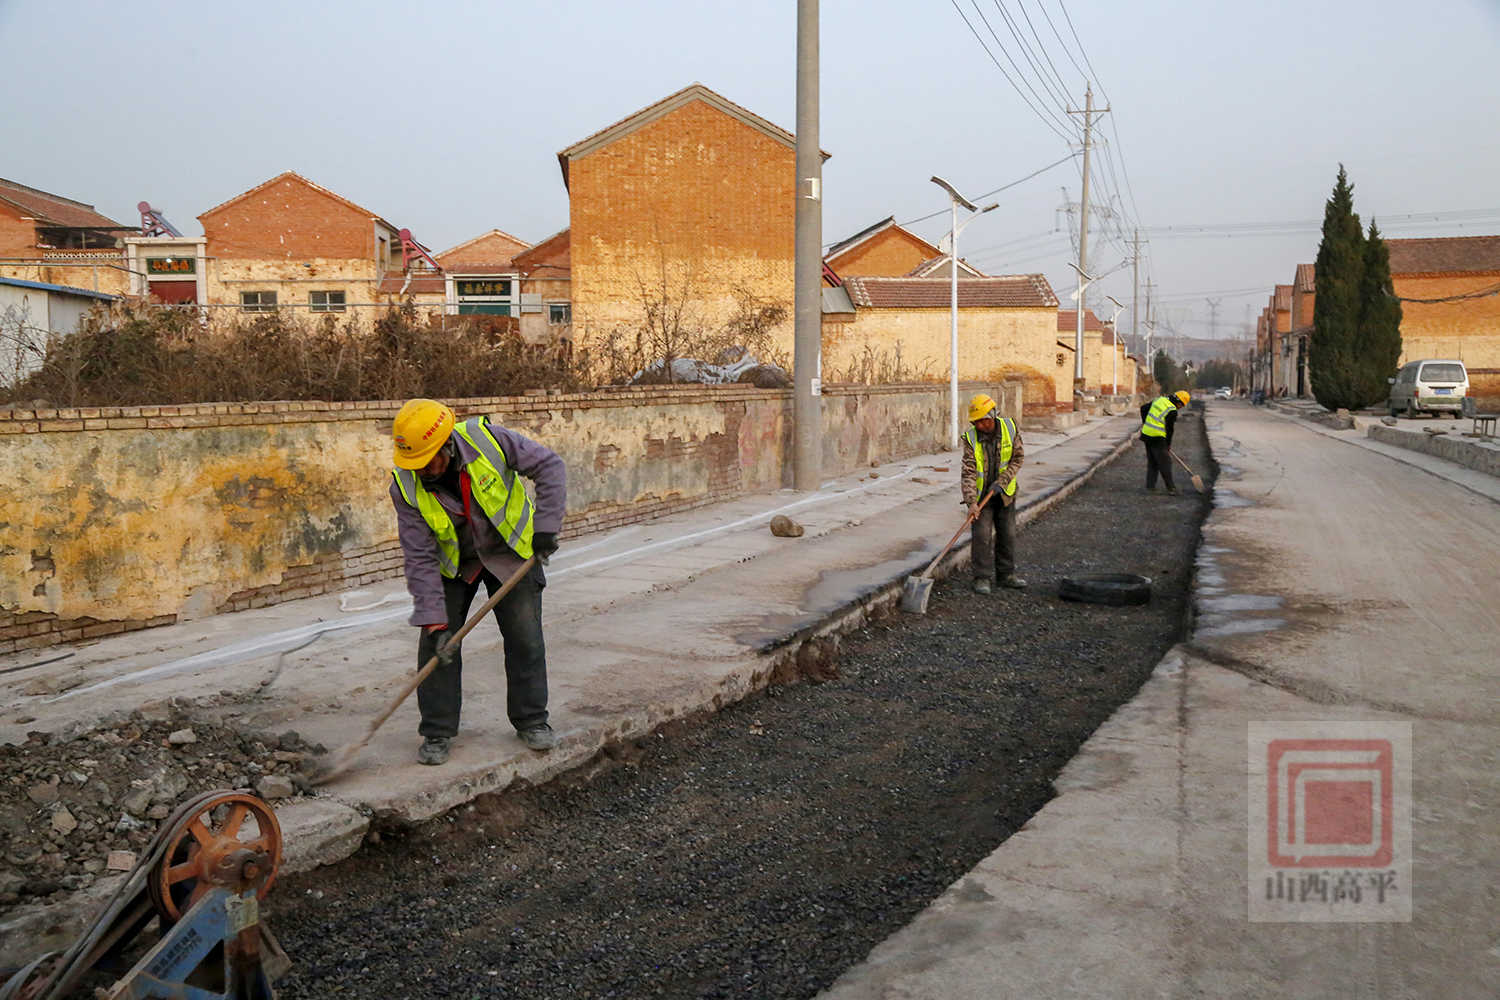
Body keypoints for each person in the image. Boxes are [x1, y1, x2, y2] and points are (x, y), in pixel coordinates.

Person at [389, 398, 567, 765]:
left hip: (510, 553)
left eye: (428, 461)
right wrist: (434, 620)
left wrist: (546, 528)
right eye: (415, 464)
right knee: (437, 645)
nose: (422, 471)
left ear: (447, 445)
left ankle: (532, 720)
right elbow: (419, 556)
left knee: (524, 638)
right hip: (455, 564)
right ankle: (437, 731)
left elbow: (550, 466)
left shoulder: (488, 440)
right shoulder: (405, 485)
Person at [960, 393, 1026, 594]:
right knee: (982, 537)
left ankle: (1006, 575)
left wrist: (1002, 482)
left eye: (984, 421)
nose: (980, 425)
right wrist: (971, 502)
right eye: (977, 422)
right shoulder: (971, 438)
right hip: (982, 497)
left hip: (1005, 494)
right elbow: (969, 472)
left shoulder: (1009, 428)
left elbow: (1017, 458)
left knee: (1007, 535)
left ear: (993, 415)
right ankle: (982, 578)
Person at [1139, 389, 1190, 495]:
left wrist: (1145, 422)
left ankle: (1150, 487)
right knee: (1165, 463)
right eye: (1182, 406)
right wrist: (1167, 445)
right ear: (1179, 403)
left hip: (1146, 434)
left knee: (1153, 462)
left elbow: (1143, 408)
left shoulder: (1159, 399)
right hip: (1157, 437)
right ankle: (1171, 489)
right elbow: (1169, 430)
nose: (1180, 408)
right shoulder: (1172, 410)